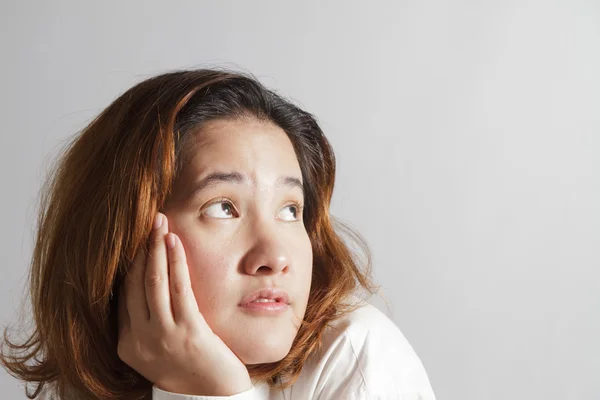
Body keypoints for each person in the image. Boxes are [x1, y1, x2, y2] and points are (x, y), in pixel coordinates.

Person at [0, 68, 436, 399]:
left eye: (290, 210)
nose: (275, 256)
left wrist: (211, 393)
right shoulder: (101, 372)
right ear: (123, 238)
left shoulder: (356, 355)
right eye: (224, 208)